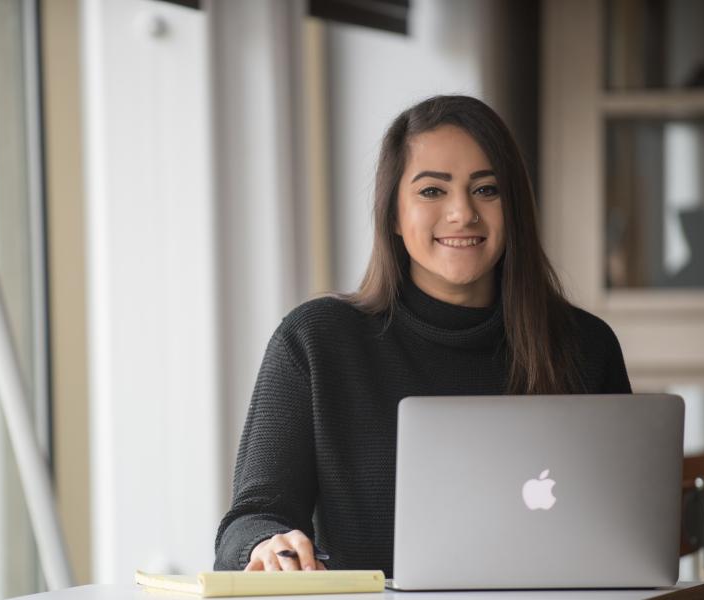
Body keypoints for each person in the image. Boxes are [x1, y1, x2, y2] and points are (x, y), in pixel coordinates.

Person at [212, 95, 631, 576]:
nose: (462, 213)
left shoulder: (585, 345)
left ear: (514, 209)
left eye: (487, 190)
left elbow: (623, 529)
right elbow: (250, 519)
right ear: (393, 214)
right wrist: (267, 544)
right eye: (432, 191)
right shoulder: (316, 341)